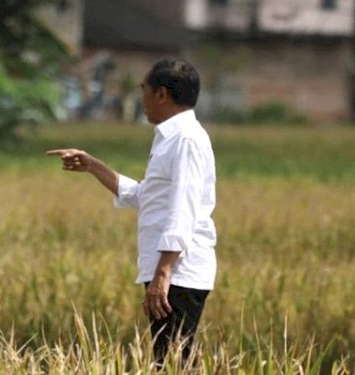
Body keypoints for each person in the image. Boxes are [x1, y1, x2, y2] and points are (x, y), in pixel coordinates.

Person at [47, 58, 216, 366]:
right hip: (169, 269)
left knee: (174, 362)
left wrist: (163, 273)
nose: (142, 100)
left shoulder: (186, 140)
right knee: (169, 359)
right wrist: (93, 166)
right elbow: (146, 197)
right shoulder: (169, 137)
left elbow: (183, 209)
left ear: (161, 94)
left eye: (144, 91)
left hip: (178, 271)